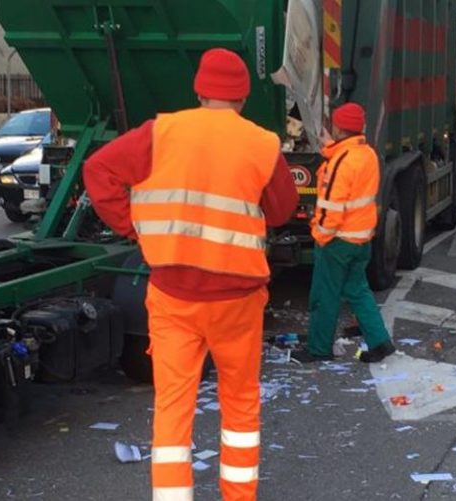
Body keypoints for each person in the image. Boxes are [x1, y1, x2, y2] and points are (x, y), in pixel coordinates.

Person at [83, 48, 298, 501]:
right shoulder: (261, 143)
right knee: (239, 408)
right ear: (242, 96)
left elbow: (97, 169)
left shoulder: (160, 133)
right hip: (237, 300)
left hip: (173, 296)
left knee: (173, 408)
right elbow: (282, 210)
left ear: (199, 90)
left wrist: (134, 227)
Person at [292, 103, 395, 364]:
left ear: (338, 127)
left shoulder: (339, 162)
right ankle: (380, 341)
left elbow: (331, 207)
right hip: (361, 239)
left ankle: (318, 348)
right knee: (358, 290)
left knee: (324, 296)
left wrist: (319, 235)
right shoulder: (367, 154)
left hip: (337, 240)